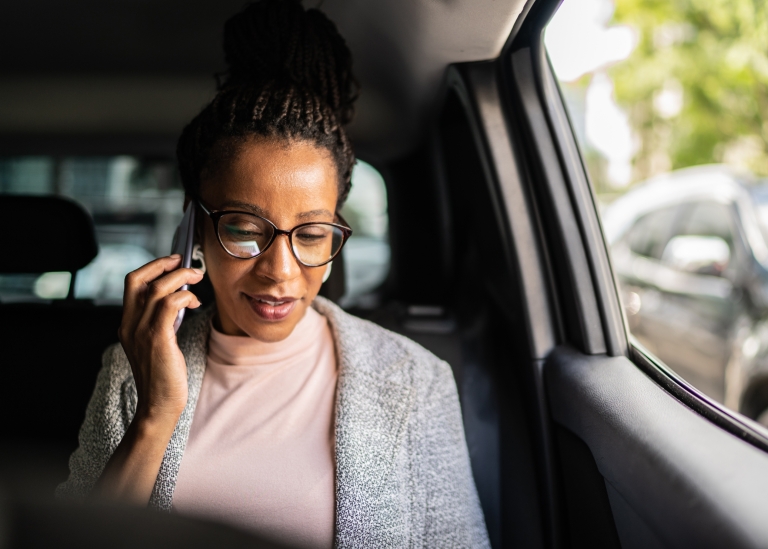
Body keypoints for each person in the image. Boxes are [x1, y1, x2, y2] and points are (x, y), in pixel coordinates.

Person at [57, 1, 490, 547]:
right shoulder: (130, 369)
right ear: (194, 227)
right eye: (244, 230)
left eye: (311, 234)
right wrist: (154, 415)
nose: (280, 272)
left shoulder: (415, 381)